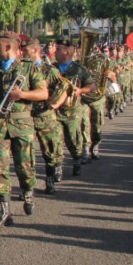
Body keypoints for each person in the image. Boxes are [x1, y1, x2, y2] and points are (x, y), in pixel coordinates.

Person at [0, 32, 48, 228]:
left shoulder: (27, 68)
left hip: (22, 127)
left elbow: (43, 93)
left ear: (7, 47)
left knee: (25, 168)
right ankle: (4, 210)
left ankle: (28, 191)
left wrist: (23, 94)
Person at [24, 38, 66, 195]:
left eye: (26, 49)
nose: (23, 52)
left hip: (45, 116)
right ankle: (28, 186)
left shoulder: (50, 70)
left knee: (50, 152)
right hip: (26, 116)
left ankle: (49, 179)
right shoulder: (22, 69)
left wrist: (55, 104)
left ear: (34, 50)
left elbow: (64, 88)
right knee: (26, 153)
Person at [51, 38, 93, 178]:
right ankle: (58, 166)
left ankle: (76, 159)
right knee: (55, 139)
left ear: (67, 52)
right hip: (55, 109)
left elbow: (91, 85)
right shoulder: (52, 68)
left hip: (72, 110)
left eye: (58, 50)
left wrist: (80, 91)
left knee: (73, 139)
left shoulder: (79, 69)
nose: (54, 52)